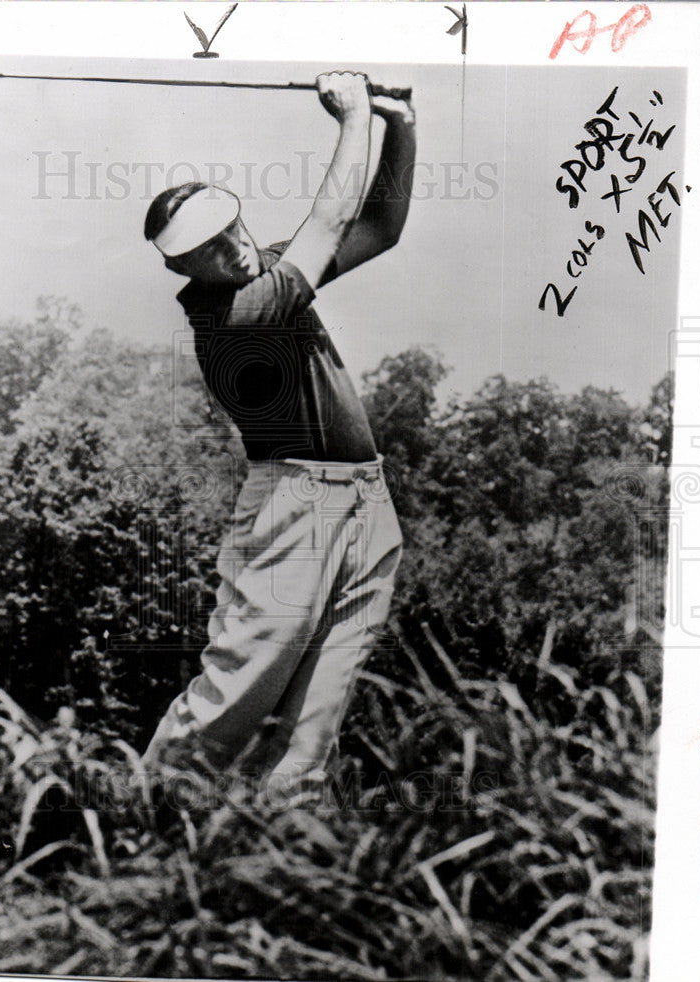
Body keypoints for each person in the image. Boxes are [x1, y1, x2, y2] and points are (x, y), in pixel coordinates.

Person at [140, 71, 416, 806]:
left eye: (231, 225)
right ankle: (141, 817)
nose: (232, 246)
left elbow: (381, 228)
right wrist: (353, 116)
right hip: (293, 502)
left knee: (318, 706)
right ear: (181, 267)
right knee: (243, 678)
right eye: (207, 246)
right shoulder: (234, 314)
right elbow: (328, 224)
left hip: (366, 497)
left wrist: (401, 127)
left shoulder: (265, 269)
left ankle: (279, 845)